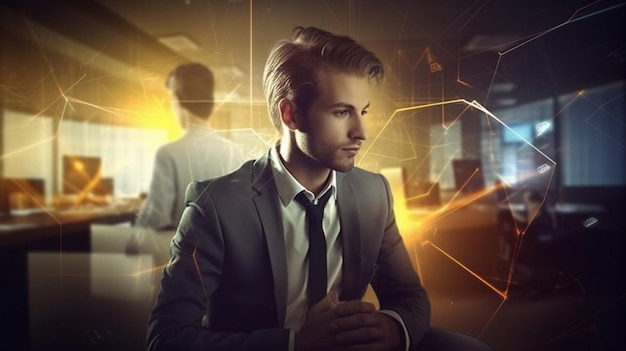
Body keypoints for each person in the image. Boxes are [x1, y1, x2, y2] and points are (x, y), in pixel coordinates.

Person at [146, 26, 492, 351]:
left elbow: (409, 297)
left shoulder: (374, 193)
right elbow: (167, 338)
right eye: (342, 112)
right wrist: (294, 344)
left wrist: (392, 328)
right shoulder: (217, 206)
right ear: (291, 115)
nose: (361, 132)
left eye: (363, 112)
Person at [129, 62, 245, 243]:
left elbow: (155, 220)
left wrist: (132, 240)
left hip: (183, 262)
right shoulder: (233, 152)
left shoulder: (168, 154)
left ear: (176, 99)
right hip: (225, 263)